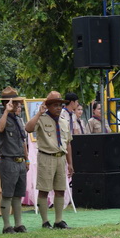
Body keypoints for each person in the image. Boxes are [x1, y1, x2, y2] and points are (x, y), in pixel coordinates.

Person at [25, 91, 74, 229]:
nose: (58, 108)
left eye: (60, 105)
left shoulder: (64, 121)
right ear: (48, 106)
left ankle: (59, 220)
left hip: (60, 157)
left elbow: (68, 143)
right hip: (46, 156)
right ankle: (45, 221)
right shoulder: (41, 118)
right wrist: (38, 113)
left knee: (60, 189)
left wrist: (70, 163)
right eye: (55, 105)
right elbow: (28, 128)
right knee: (44, 189)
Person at [0, 87, 29, 234]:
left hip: (20, 161)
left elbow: (23, 141)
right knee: (7, 194)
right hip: (8, 161)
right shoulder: (2, 118)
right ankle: (6, 225)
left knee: (18, 195)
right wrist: (6, 111)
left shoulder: (19, 120)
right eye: (14, 102)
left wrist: (27, 159)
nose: (17, 105)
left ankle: (18, 224)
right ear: (6, 103)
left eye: (17, 102)